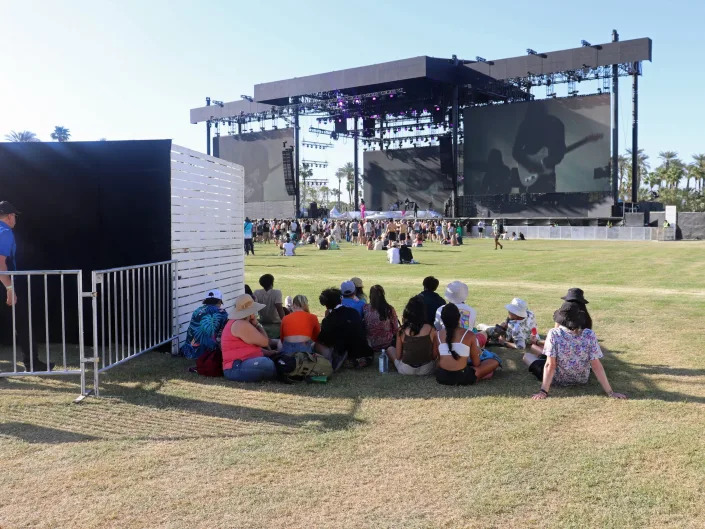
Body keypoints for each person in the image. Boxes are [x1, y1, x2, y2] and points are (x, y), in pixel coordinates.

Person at [522, 301, 626, 400]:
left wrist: (543, 391)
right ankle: (541, 355)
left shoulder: (554, 334)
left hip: (558, 379)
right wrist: (610, 392)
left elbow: (550, 365)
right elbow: (596, 365)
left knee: (527, 355)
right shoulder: (589, 334)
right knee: (538, 351)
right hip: (582, 379)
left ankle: (540, 355)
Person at [0, 201, 54, 371]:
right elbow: (0, 263)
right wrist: (9, 288)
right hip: (5, 282)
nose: (15, 219)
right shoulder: (5, 232)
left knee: (22, 322)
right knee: (23, 322)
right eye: (15, 216)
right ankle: (33, 363)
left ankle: (33, 363)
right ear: (10, 216)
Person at [435, 304, 501, 385]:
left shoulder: (437, 334)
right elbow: (476, 363)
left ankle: (480, 373)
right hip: (462, 377)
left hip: (442, 377)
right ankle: (481, 374)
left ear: (442, 319)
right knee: (494, 360)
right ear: (459, 317)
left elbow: (439, 359)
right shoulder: (469, 334)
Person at [222, 294, 278, 382]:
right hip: (236, 367)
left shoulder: (238, 322)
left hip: (238, 365)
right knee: (266, 364)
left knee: (269, 360)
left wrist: (270, 352)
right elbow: (264, 342)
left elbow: (250, 348)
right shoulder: (241, 324)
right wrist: (257, 324)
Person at [316, 288, 374, 369]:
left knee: (318, 344)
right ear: (341, 299)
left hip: (347, 353)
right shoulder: (354, 312)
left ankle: (334, 359)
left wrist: (327, 319)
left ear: (326, 305)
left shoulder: (329, 320)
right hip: (367, 354)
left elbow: (323, 340)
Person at [387, 296, 436, 375]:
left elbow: (398, 356)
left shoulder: (402, 330)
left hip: (406, 370)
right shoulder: (431, 329)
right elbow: (434, 356)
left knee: (390, 349)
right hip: (426, 369)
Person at [179, 288, 229, 359]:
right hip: (209, 353)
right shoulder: (222, 313)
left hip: (190, 351)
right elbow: (225, 332)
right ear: (219, 301)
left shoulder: (197, 311)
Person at [363, 285, 399, 353]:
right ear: (383, 295)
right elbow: (395, 329)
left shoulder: (365, 308)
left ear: (370, 295)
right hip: (387, 344)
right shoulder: (389, 309)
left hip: (371, 344)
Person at [253, 274, 285, 339]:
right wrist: (285, 322)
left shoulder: (257, 292)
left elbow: (254, 307)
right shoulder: (277, 293)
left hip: (263, 320)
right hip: (276, 322)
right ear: (272, 283)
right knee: (286, 309)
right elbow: (279, 308)